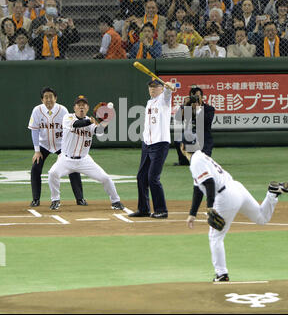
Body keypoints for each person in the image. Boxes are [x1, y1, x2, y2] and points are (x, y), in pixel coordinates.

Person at [182, 137, 288, 281]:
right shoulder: (202, 157)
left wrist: (210, 207)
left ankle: (221, 274)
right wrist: (192, 213)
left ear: (182, 148)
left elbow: (209, 183)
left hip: (225, 197)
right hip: (237, 188)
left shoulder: (196, 161)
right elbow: (198, 188)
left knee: (215, 237)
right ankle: (272, 193)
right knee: (262, 218)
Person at [48, 95, 124, 211]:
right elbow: (76, 124)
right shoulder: (68, 118)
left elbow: (99, 131)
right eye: (79, 105)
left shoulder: (91, 122)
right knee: (52, 173)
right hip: (66, 159)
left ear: (88, 108)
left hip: (84, 160)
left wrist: (105, 122)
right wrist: (91, 121)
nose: (81, 107)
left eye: (84, 105)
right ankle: (55, 200)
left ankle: (116, 201)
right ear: (74, 108)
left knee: (105, 178)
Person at [28, 87, 87, 208]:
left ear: (56, 98)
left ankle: (80, 198)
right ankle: (35, 199)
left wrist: (65, 151)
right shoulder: (37, 110)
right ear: (42, 99)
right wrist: (37, 151)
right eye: (46, 97)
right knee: (35, 168)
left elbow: (70, 129)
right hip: (44, 144)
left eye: (51, 97)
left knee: (73, 167)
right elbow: (34, 130)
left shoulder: (62, 110)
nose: (48, 99)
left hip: (62, 145)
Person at [128, 79, 175, 219]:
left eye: (155, 87)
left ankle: (162, 210)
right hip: (147, 144)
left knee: (153, 178)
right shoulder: (149, 102)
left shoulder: (164, 100)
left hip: (160, 143)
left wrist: (169, 87)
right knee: (141, 177)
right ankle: (143, 209)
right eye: (150, 87)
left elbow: (168, 92)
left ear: (161, 88)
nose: (152, 89)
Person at [174, 85, 215, 166]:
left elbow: (207, 121)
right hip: (189, 137)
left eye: (197, 96)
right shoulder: (187, 107)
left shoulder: (209, 109)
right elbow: (178, 119)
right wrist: (185, 106)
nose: (195, 98)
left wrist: (198, 109)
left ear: (202, 97)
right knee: (178, 138)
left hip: (203, 138)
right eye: (193, 96)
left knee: (203, 161)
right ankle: (183, 161)